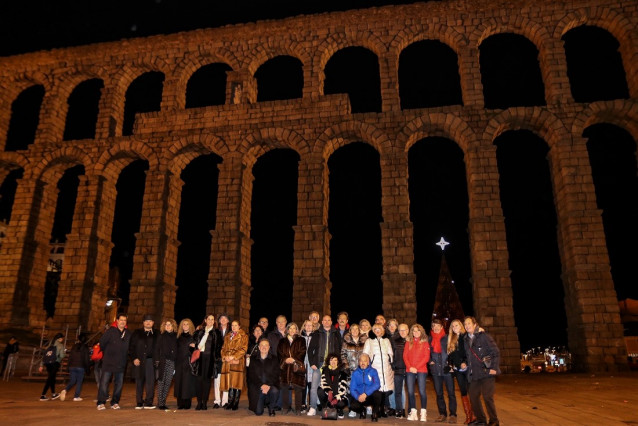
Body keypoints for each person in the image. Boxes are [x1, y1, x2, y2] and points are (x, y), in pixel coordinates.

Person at [463, 316, 500, 426]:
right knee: (473, 396)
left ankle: (494, 420)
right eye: (465, 324)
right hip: (474, 373)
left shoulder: (484, 336)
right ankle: (481, 420)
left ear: (475, 324)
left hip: (486, 372)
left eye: (469, 323)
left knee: (487, 397)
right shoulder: (466, 339)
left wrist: (494, 368)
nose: (467, 326)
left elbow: (495, 352)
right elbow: (467, 356)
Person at [307, 315, 341, 416]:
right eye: (325, 320)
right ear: (322, 322)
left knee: (332, 387)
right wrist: (312, 363)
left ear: (331, 322)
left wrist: (337, 363)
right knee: (314, 387)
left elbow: (339, 349)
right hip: (319, 364)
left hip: (331, 365)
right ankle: (312, 407)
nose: (326, 322)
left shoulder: (336, 333)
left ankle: (332, 408)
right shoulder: (317, 333)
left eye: (328, 320)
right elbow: (310, 350)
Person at [96, 313, 131, 410]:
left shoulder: (128, 333)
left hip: (121, 362)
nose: (123, 322)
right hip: (109, 361)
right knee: (104, 382)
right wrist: (109, 353)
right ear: (117, 321)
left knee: (119, 384)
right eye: (121, 320)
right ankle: (101, 402)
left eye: (125, 320)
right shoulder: (110, 331)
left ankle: (115, 402)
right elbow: (102, 343)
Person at [448, 319, 475, 424]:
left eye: (456, 325)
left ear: (460, 326)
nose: (455, 328)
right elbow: (451, 355)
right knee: (463, 392)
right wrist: (451, 365)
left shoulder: (465, 337)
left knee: (471, 392)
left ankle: (474, 415)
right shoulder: (451, 339)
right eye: (453, 326)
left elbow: (469, 352)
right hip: (458, 370)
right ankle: (468, 416)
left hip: (467, 368)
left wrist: (465, 362)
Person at [363, 323, 394, 417]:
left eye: (379, 329)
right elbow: (365, 354)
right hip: (374, 369)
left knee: (385, 390)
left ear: (382, 330)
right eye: (375, 329)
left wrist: (389, 358)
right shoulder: (369, 341)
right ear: (373, 330)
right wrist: (369, 364)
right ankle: (376, 410)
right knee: (377, 390)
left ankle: (382, 409)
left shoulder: (386, 340)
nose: (377, 330)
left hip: (386, 368)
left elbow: (390, 353)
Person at [430, 318, 457, 423]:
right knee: (439, 393)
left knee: (451, 393)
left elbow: (454, 352)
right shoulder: (430, 339)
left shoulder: (448, 338)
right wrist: (429, 361)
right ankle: (442, 413)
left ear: (441, 327)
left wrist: (451, 365)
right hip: (436, 370)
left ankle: (453, 414)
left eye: (438, 325)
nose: (435, 328)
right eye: (433, 326)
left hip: (447, 370)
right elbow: (426, 351)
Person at [130, 314, 159, 409]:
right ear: (143, 323)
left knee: (150, 383)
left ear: (153, 323)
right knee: (139, 381)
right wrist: (134, 358)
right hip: (139, 361)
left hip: (151, 361)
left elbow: (160, 347)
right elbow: (131, 347)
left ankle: (148, 402)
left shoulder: (157, 333)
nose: (148, 322)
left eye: (150, 321)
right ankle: (139, 402)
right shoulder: (137, 333)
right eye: (146, 321)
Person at [277, 322, 306, 415]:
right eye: (290, 328)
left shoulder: (301, 340)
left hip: (296, 366)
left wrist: (293, 359)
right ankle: (285, 407)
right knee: (285, 387)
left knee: (298, 388)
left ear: (297, 330)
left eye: (294, 328)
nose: (292, 330)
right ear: (287, 330)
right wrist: (286, 359)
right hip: (285, 367)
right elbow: (279, 352)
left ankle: (298, 409)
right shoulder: (282, 340)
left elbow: (303, 351)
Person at [192, 314, 220, 410]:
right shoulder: (199, 331)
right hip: (200, 358)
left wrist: (216, 359)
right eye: (209, 319)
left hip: (210, 360)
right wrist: (194, 346)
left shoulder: (217, 332)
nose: (211, 321)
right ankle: (199, 402)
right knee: (199, 380)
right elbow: (194, 343)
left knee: (207, 381)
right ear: (205, 320)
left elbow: (219, 347)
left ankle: (204, 402)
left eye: (212, 319)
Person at [403, 323, 430, 422]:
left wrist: (416, 367)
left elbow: (426, 357)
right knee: (410, 391)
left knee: (422, 391)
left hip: (421, 370)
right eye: (414, 331)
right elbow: (405, 356)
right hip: (409, 370)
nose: (416, 332)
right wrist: (410, 367)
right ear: (411, 332)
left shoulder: (425, 342)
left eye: (418, 330)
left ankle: (423, 412)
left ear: (421, 332)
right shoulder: (408, 342)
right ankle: (413, 411)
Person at [220, 320, 248, 410]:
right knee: (230, 383)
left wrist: (233, 357)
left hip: (237, 362)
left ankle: (235, 403)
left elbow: (244, 349)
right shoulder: (228, 336)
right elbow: (223, 348)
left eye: (236, 325)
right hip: (228, 362)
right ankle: (230, 401)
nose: (234, 327)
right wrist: (224, 356)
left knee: (237, 383)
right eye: (232, 325)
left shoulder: (244, 336)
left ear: (239, 326)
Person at [247, 338, 280, 416]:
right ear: (259, 347)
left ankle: (271, 408)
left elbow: (276, 374)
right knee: (258, 412)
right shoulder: (253, 359)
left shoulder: (274, 359)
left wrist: (268, 385)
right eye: (262, 345)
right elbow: (251, 375)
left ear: (269, 347)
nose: (264, 347)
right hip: (257, 387)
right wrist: (261, 385)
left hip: (270, 386)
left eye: (266, 345)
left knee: (275, 391)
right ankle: (262, 402)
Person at [349, 353, 383, 422]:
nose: (363, 363)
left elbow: (377, 384)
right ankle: (362, 411)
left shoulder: (373, 371)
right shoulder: (355, 373)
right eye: (361, 361)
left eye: (365, 361)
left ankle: (374, 413)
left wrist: (366, 394)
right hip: (360, 397)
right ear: (359, 362)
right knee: (351, 404)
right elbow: (352, 389)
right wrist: (358, 397)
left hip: (369, 396)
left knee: (378, 394)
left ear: (368, 362)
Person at [154, 318, 177, 410]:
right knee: (161, 382)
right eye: (166, 325)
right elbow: (156, 349)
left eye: (170, 325)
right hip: (163, 362)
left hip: (172, 362)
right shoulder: (161, 336)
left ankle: (163, 401)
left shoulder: (176, 336)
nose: (168, 326)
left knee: (168, 383)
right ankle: (160, 403)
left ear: (173, 326)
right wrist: (157, 361)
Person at [318, 352, 349, 419]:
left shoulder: (342, 372)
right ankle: (325, 409)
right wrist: (329, 391)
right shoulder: (325, 370)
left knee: (341, 403)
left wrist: (336, 398)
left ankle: (339, 410)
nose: (333, 362)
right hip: (328, 394)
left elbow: (343, 388)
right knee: (320, 390)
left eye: (335, 360)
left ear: (338, 361)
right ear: (328, 361)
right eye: (331, 360)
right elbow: (323, 383)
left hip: (339, 396)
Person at [60, 334, 90, 402]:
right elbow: (86, 359)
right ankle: (76, 396)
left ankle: (65, 390)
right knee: (79, 382)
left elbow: (70, 357)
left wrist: (68, 366)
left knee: (72, 381)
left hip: (72, 366)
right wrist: (88, 369)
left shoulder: (74, 346)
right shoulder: (85, 347)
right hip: (80, 366)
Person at [174, 318, 196, 409]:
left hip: (188, 362)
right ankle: (180, 403)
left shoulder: (193, 337)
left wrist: (193, 347)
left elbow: (197, 351)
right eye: (184, 324)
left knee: (187, 383)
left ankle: (187, 403)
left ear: (190, 326)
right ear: (181, 326)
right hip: (179, 362)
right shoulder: (178, 337)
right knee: (179, 382)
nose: (185, 326)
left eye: (187, 324)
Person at [39, 332, 65, 401]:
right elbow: (62, 356)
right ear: (60, 339)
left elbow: (44, 355)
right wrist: (63, 353)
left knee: (52, 378)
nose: (63, 339)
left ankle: (53, 394)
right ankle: (43, 395)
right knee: (50, 379)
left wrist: (41, 365)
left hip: (48, 364)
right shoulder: (60, 345)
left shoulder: (50, 344)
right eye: (62, 338)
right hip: (55, 363)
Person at [391, 323, 409, 418]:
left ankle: (409, 410)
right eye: (400, 330)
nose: (402, 332)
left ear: (408, 330)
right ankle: (399, 410)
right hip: (398, 369)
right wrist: (393, 366)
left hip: (410, 370)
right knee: (397, 391)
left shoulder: (411, 340)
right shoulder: (394, 341)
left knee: (409, 391)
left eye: (404, 330)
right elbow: (391, 355)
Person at [246, 324, 265, 410]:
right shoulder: (249, 341)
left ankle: (261, 404)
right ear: (253, 333)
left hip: (261, 368)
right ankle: (252, 404)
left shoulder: (264, 341)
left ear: (262, 332)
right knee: (251, 386)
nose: (257, 332)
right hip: (250, 368)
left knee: (260, 385)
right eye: (255, 331)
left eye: (259, 331)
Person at [300, 319, 317, 414]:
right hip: (303, 363)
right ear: (304, 326)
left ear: (313, 327)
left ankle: (311, 404)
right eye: (306, 325)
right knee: (303, 384)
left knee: (311, 384)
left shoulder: (315, 337)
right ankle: (303, 403)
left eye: (310, 325)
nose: (308, 327)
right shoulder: (300, 337)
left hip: (312, 364)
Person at [214, 313, 231, 408]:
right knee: (217, 380)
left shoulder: (231, 331)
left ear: (228, 321)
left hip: (227, 359)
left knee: (226, 379)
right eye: (221, 318)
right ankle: (217, 400)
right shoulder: (215, 331)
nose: (223, 320)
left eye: (225, 318)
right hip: (218, 359)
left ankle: (225, 401)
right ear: (219, 321)